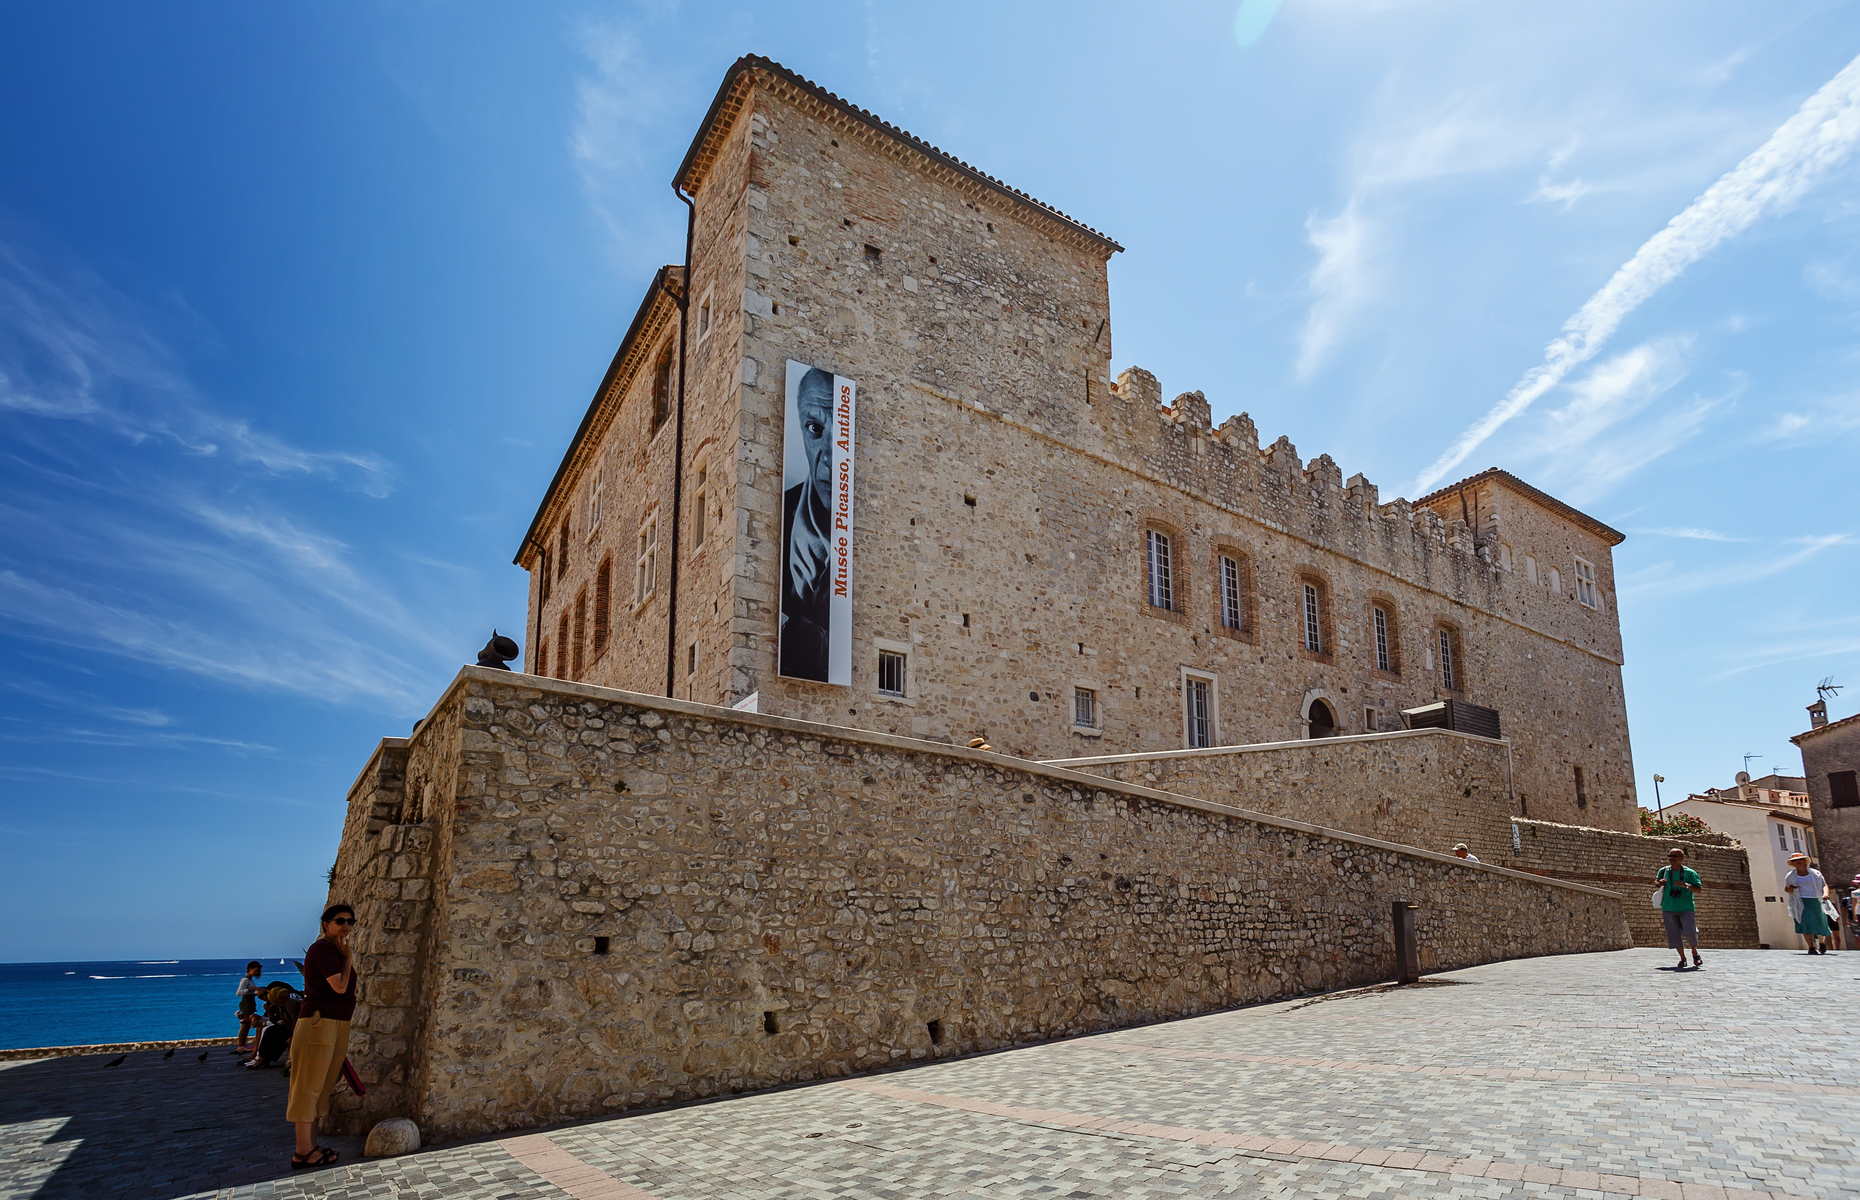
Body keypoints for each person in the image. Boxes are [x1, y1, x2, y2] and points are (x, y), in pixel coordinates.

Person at [287, 904, 359, 1169]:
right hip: (319, 1022)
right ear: (325, 924)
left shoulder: (335, 950)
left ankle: (311, 1146)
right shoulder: (322, 949)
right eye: (340, 921)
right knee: (308, 1085)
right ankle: (302, 1151)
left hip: (337, 1022)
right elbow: (339, 987)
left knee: (323, 1083)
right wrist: (348, 958)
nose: (346, 926)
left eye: (351, 922)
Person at [779, 367, 837, 681]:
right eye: (815, 428)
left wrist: (788, 625)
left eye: (842, 433)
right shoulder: (781, 509)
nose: (829, 456)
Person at [1656, 848, 1703, 970]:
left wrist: (1685, 885)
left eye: (1675, 856)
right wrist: (1660, 882)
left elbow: (1698, 889)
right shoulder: (1664, 871)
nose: (1672, 858)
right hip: (1668, 907)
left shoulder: (1690, 873)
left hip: (1686, 908)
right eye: (1670, 856)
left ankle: (1694, 952)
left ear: (1682, 858)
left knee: (1690, 930)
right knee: (1673, 934)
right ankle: (1682, 958)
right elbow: (1656, 882)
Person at [1782, 853, 1831, 954]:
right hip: (1800, 901)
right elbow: (1787, 889)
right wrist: (1791, 888)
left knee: (1820, 922)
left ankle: (1822, 942)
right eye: (1795, 860)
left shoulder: (1816, 874)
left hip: (1816, 899)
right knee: (1805, 923)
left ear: (1805, 861)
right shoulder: (1790, 876)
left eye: (1800, 859)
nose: (1798, 861)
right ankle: (1811, 947)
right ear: (1793, 863)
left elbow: (1824, 885)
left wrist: (1826, 894)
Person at [235, 961, 264, 1047]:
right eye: (255, 971)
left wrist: (256, 993)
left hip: (250, 1002)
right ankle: (241, 1046)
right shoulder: (245, 980)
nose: (257, 973)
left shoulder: (250, 980)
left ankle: (242, 1045)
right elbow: (239, 992)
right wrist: (252, 989)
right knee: (245, 1024)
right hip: (246, 1003)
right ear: (250, 969)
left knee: (247, 1025)